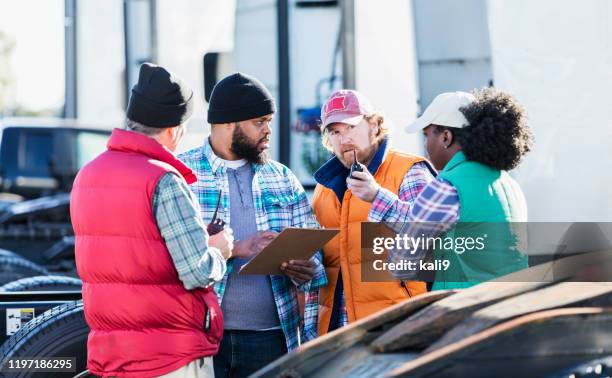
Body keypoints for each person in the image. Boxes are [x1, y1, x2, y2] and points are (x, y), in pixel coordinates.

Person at [71, 63, 233, 378]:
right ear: (173, 130)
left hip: (112, 355)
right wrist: (219, 250)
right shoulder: (164, 180)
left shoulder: (87, 175)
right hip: (170, 356)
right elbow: (197, 271)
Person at [178, 72, 327, 377]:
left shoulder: (282, 177)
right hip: (201, 338)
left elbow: (315, 259)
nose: (268, 130)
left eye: (269, 121)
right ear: (228, 123)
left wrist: (306, 270)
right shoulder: (180, 175)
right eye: (259, 122)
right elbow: (167, 261)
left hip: (272, 339)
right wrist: (233, 250)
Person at [359, 89, 533, 289]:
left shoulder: (446, 187)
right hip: (511, 304)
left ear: (446, 137)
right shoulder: (509, 183)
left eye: (427, 135)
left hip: (464, 310)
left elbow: (401, 263)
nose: (425, 144)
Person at [312, 89, 434, 335]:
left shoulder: (409, 171)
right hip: (335, 334)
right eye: (335, 131)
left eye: (351, 127)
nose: (343, 139)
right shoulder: (322, 189)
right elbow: (327, 266)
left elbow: (434, 238)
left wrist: (378, 197)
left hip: (396, 328)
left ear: (375, 125)